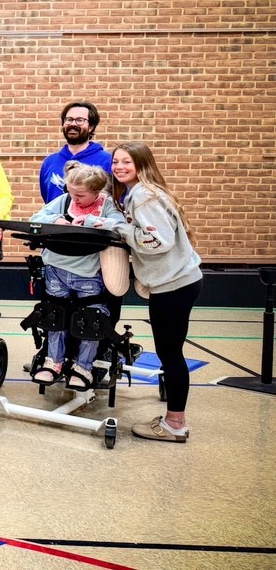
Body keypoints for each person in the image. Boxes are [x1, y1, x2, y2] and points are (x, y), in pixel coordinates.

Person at [112, 142, 202, 443]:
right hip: (180, 281)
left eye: (127, 162)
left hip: (174, 285)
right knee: (170, 352)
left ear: (142, 164)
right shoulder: (143, 192)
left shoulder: (144, 196)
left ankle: (175, 424)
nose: (119, 167)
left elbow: (157, 242)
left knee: (170, 354)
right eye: (116, 162)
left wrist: (120, 230)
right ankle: (175, 419)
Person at [29, 164, 125, 388]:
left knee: (91, 319)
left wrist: (90, 221)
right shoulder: (64, 201)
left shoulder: (107, 205)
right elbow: (37, 216)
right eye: (71, 192)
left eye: (80, 195)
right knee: (55, 316)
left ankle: (84, 367)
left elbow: (121, 226)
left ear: (97, 191)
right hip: (55, 268)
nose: (75, 198)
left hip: (88, 273)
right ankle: (53, 362)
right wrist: (55, 220)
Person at [40, 102, 112, 203]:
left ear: (91, 127)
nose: (73, 124)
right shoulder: (49, 162)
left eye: (80, 120)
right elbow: (46, 198)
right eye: (69, 119)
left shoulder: (108, 160)